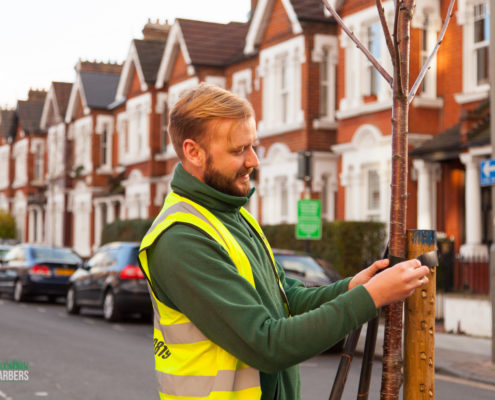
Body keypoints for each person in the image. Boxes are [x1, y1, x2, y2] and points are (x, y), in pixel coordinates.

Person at [138, 83, 430, 400]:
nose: (254, 161)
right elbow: (266, 344)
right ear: (193, 152)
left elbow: (284, 300)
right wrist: (369, 298)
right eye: (238, 150)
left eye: (254, 147)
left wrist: (352, 288)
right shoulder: (182, 238)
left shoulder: (232, 215)